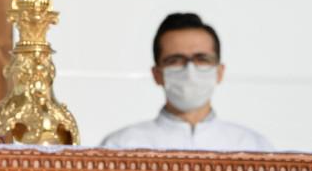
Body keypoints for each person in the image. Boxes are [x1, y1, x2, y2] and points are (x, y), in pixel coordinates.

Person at [101, 13, 272, 151]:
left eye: (201, 59)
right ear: (157, 74)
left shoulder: (254, 148)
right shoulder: (121, 147)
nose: (190, 70)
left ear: (219, 72)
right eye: (175, 60)